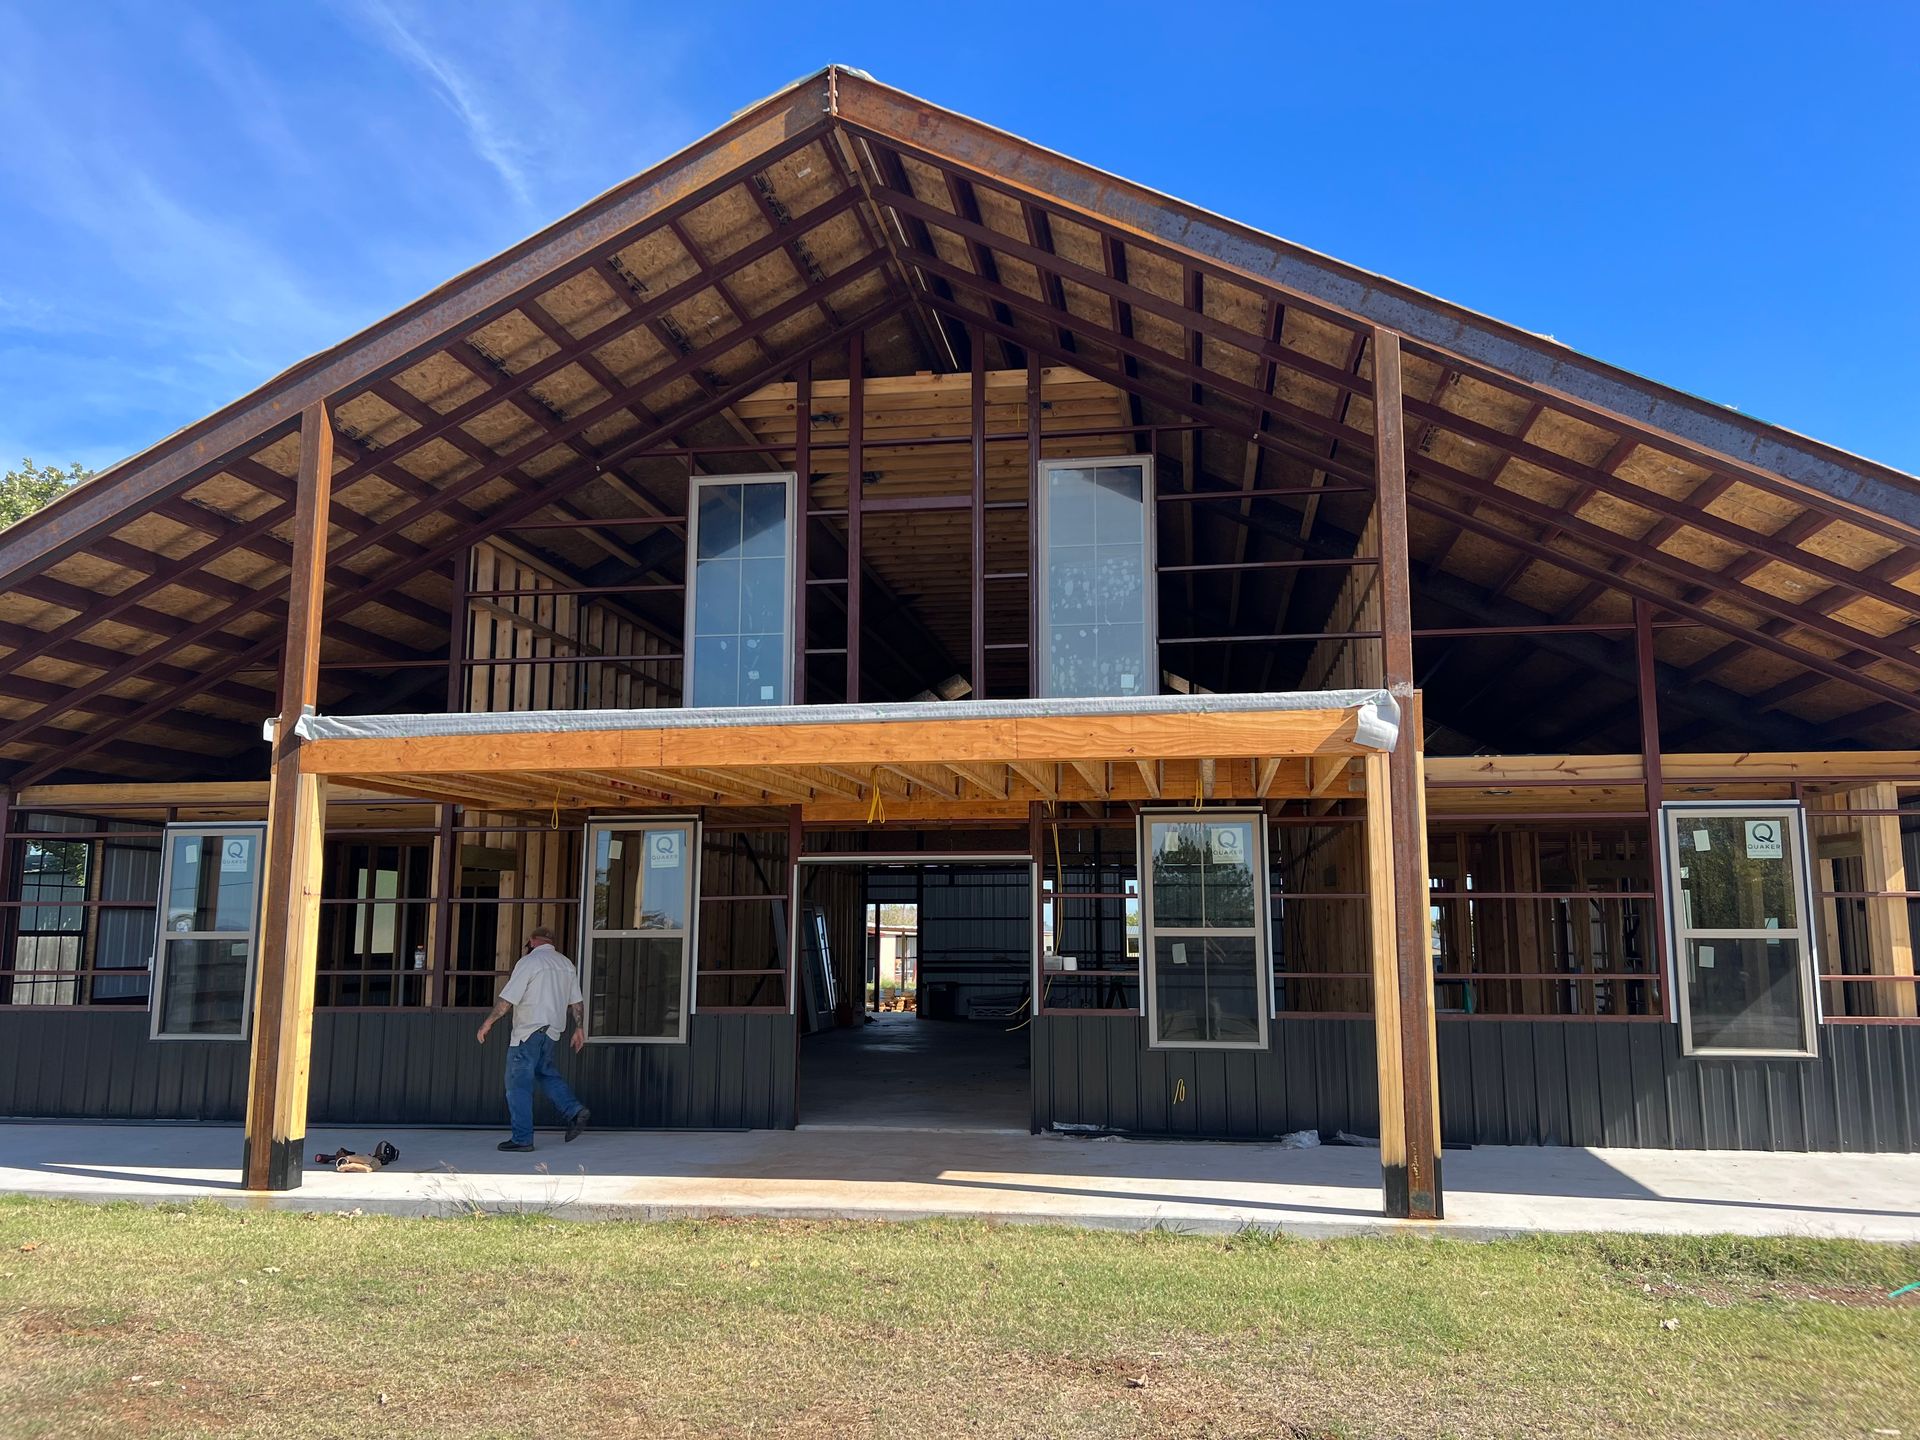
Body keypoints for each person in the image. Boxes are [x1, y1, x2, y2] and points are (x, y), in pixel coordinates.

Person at [477, 926, 591, 1151]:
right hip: (552, 1031)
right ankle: (575, 1111)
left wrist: (487, 1022)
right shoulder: (566, 964)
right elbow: (576, 1002)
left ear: (531, 941)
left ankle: (522, 1138)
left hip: (528, 1031)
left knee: (517, 1084)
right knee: (545, 1073)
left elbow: (507, 1000)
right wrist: (579, 1028)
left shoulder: (529, 962)